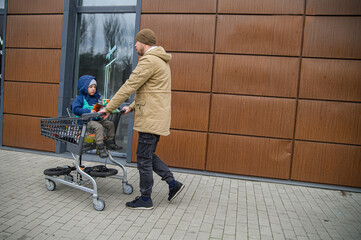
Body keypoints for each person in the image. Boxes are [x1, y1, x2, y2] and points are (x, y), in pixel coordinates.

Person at [99, 29, 184, 210]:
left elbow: (130, 86)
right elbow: (149, 91)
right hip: (156, 117)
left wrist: (108, 108)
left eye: (137, 42)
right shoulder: (161, 61)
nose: (135, 45)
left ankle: (146, 198)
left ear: (144, 42)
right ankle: (172, 183)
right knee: (148, 155)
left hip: (150, 119)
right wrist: (130, 107)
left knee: (143, 159)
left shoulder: (149, 61)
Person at [72, 75, 119, 158]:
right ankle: (100, 147)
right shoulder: (80, 98)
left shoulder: (95, 98)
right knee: (99, 127)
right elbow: (75, 109)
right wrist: (89, 111)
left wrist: (101, 113)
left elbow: (97, 109)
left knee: (110, 124)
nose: (93, 89)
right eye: (90, 87)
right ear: (84, 87)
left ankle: (110, 142)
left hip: (95, 119)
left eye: (94, 87)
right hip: (85, 121)